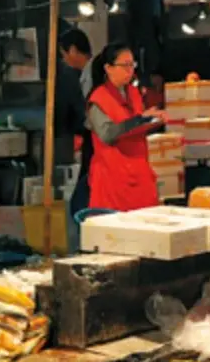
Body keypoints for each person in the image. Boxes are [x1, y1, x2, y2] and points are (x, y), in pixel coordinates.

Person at [85, 42, 167, 211]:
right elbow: (108, 134)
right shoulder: (98, 99)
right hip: (112, 178)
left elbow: (137, 124)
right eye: (125, 65)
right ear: (108, 68)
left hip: (139, 176)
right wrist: (140, 120)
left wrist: (150, 119)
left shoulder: (134, 93)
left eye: (132, 65)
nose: (130, 70)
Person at [60, 29, 94, 223]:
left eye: (63, 54)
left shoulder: (89, 74)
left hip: (94, 139)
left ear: (72, 50)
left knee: (82, 194)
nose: (64, 61)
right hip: (92, 139)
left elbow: (86, 112)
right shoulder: (89, 71)